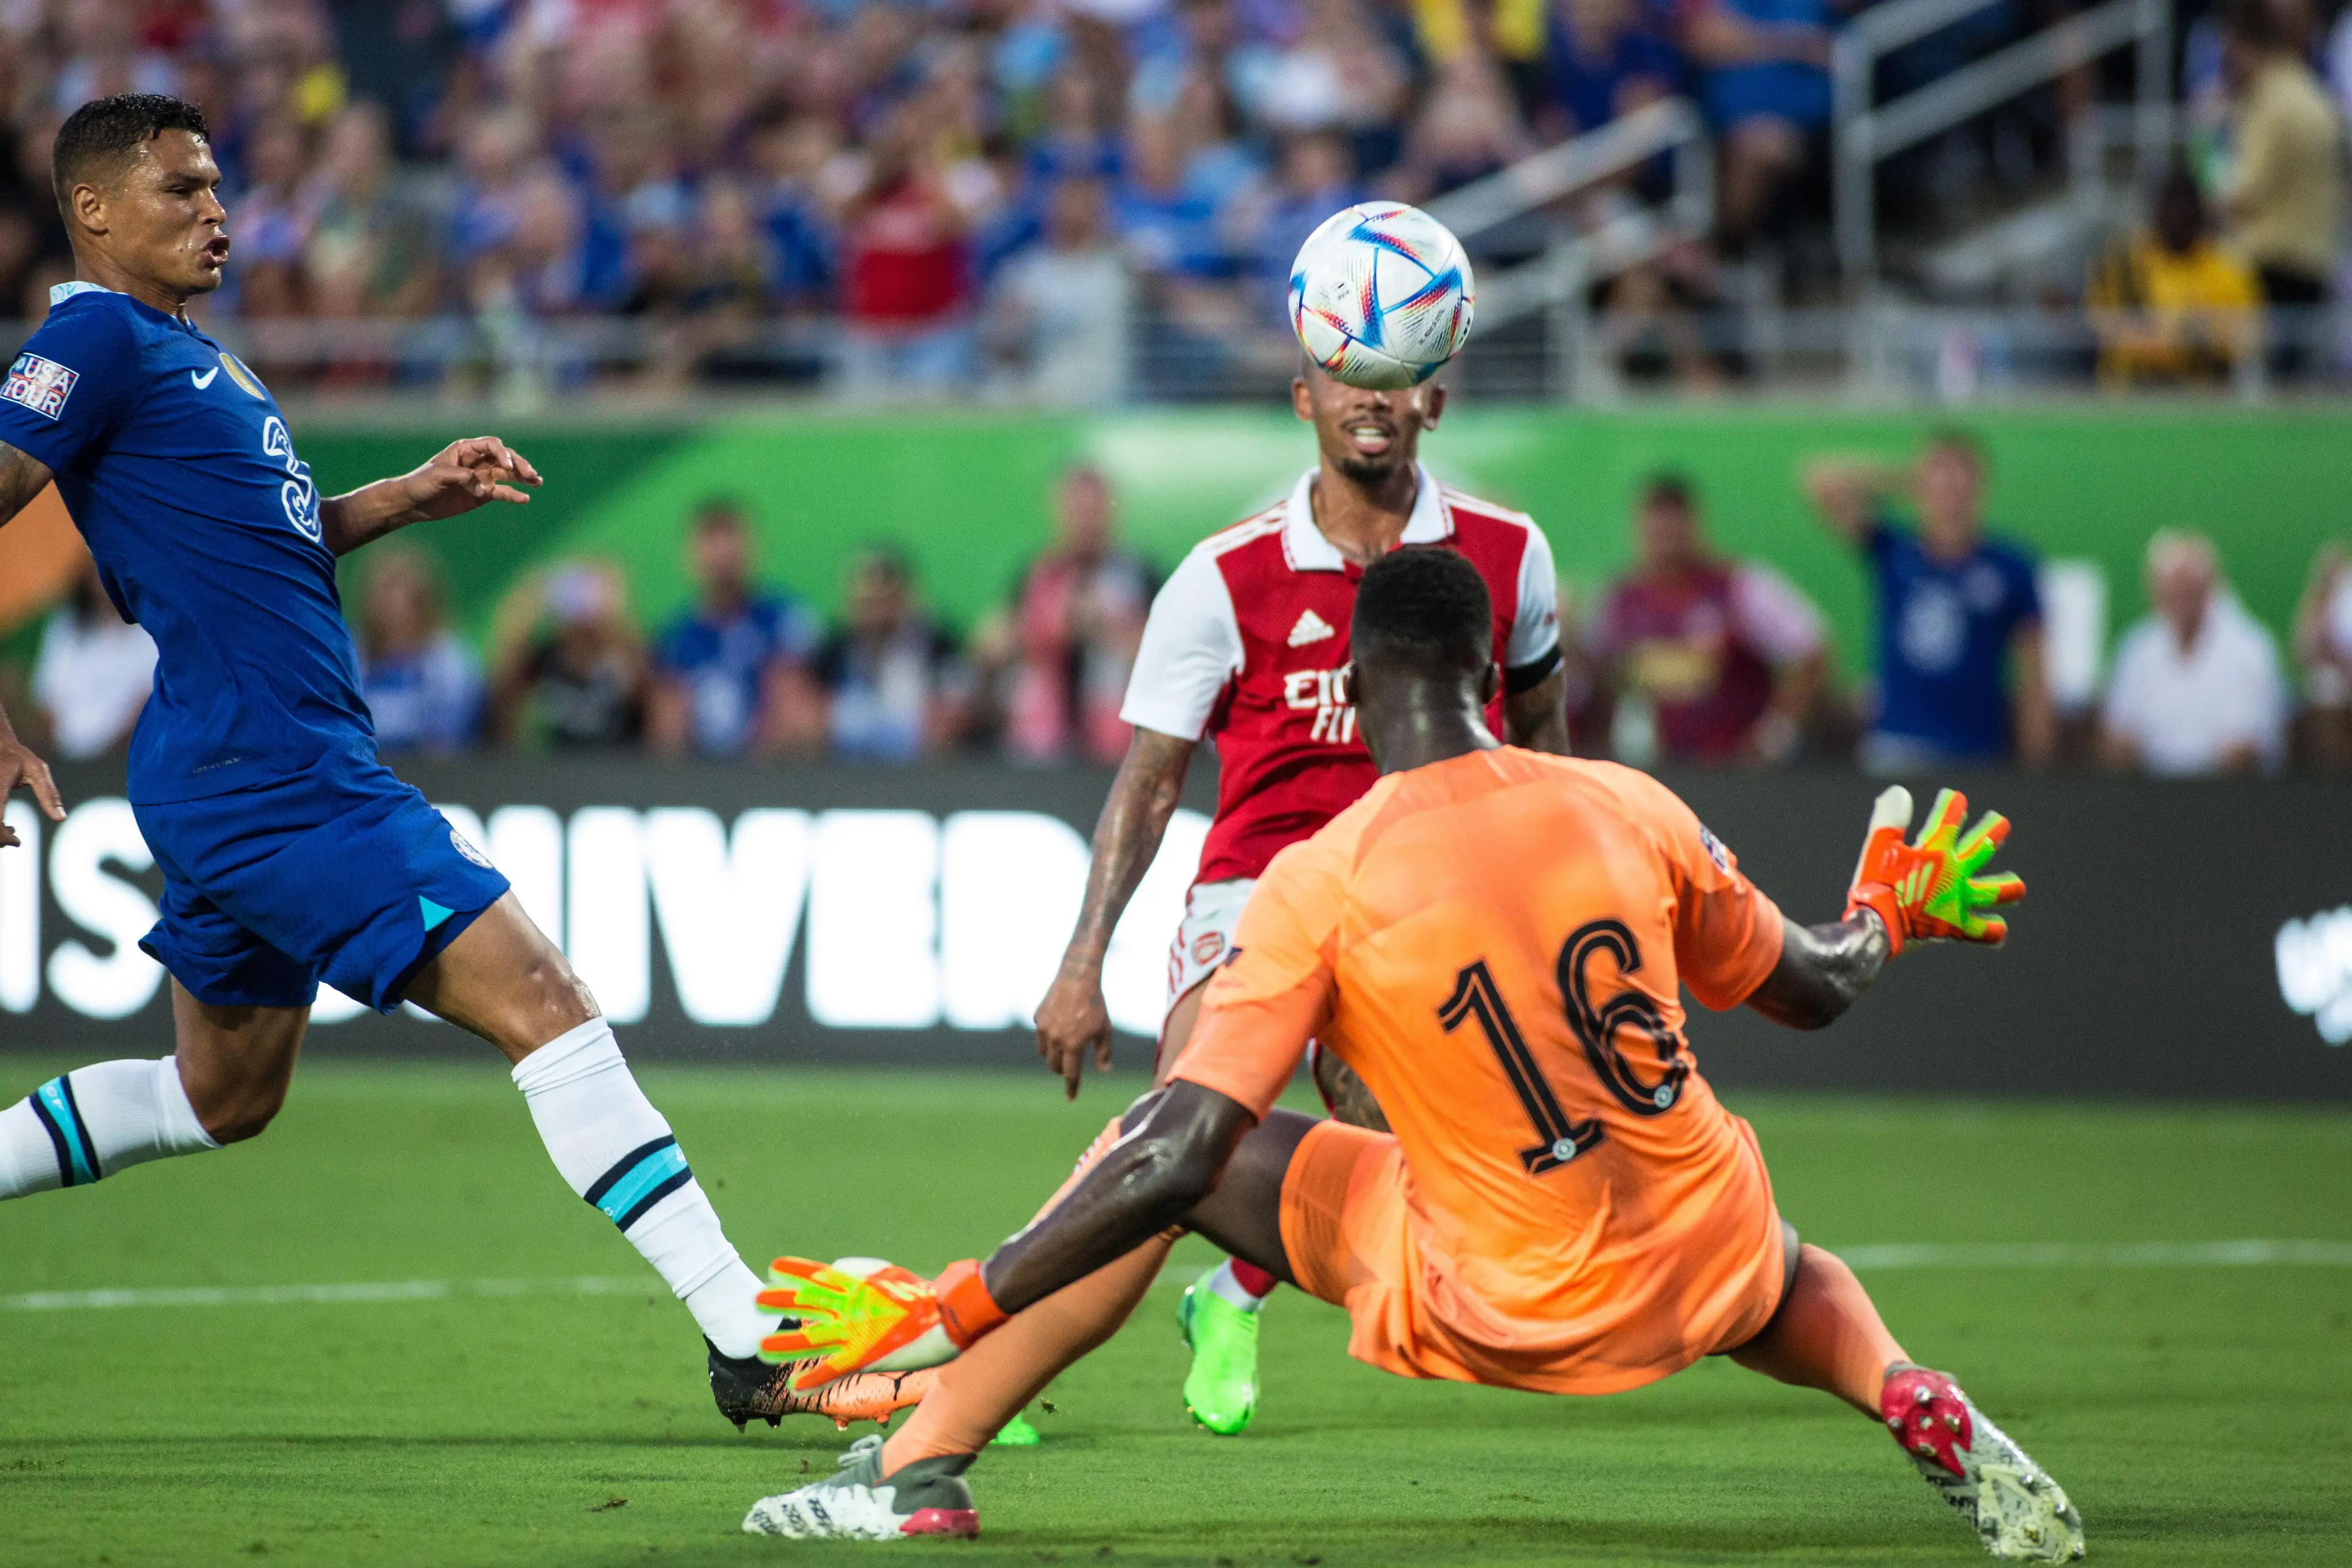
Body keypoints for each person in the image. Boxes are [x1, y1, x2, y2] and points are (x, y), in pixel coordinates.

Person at [742, 547, 2080, 1566]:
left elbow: (1185, 1145)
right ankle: (1906, 1384)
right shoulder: (1630, 802)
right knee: (1784, 1265)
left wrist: (961, 1297)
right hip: (1709, 1244)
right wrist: (1889, 913)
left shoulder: (1326, 874)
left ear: (1361, 683)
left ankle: (919, 1469)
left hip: (1500, 1291)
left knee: (1170, 1144)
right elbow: (1818, 987)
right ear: (1490, 670)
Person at [0, 95, 919, 1434]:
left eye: (217, 185)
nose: (217, 209)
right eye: (181, 188)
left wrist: (400, 497)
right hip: (276, 771)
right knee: (546, 997)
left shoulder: (195, 358)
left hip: (230, 765)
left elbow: (268, 552)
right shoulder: (92, 332)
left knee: (221, 1093)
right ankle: (752, 1338)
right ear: (92, 211)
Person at [1026, 359, 1569, 1439]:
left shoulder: (1510, 553)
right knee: (1184, 1126)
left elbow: (1547, 745)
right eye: (1346, 377)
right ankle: (999, 1347)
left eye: (1399, 376)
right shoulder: (1224, 575)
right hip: (1257, 896)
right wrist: (1082, 963)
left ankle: (1232, 1294)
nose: (1372, 396)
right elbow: (1149, 781)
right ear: (1302, 400)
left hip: (1421, 908)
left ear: (1436, 401)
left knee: (1403, 1153)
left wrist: (1549, 918)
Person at [1802, 432, 2054, 772]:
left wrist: (2037, 755)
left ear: (1981, 484)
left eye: (1961, 475)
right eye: (1940, 474)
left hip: (1977, 748)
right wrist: (1905, 478)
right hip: (1898, 743)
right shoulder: (1893, 550)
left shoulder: (2010, 567)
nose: (1951, 487)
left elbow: (2035, 668)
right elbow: (1821, 480)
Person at [1589, 473, 1829, 764]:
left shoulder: (1741, 587)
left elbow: (1811, 654)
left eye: (1672, 525)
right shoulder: (1619, 600)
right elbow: (1595, 672)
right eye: (1656, 527)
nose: (1664, 537)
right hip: (1653, 774)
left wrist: (1772, 739)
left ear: (1693, 525)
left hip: (1734, 772)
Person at [2218, 0, 2345, 380]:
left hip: (2269, 267)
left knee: (2268, 396)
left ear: (2244, 47)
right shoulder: (2314, 92)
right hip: (2315, 259)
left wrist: (2206, 151)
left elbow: (2243, 195)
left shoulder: (2270, 101)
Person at [998, 466, 1157, 766]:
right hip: (1047, 737)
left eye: (1093, 510)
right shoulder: (1039, 574)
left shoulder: (1139, 574)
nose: (1086, 522)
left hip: (1119, 738)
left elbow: (1165, 652)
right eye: (1077, 511)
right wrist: (1051, 627)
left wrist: (1105, 628)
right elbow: (995, 644)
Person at [2099, 530, 2286, 777]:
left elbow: (2246, 749)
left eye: (2189, 588)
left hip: (2231, 800)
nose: (2180, 599)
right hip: (2147, 800)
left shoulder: (2251, 650)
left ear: (2211, 588)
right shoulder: (2136, 650)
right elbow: (2118, 738)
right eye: (2172, 590)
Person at [647, 501, 822, 760]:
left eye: (730, 540)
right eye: (712, 542)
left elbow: (795, 717)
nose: (722, 554)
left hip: (766, 771)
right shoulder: (675, 635)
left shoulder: (782, 621)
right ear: (691, 555)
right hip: (699, 777)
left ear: (751, 549)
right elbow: (668, 735)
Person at [2083, 164, 2261, 388]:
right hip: (2128, 400)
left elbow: (2249, 336)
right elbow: (2098, 323)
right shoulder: (2121, 262)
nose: (2178, 215)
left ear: (2200, 211)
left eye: (2185, 206)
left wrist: (2200, 332)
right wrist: (2165, 339)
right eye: (2169, 205)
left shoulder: (2226, 267)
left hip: (2201, 401)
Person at [812, 547, 970, 763]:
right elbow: (807, 720)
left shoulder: (938, 647)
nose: (875, 613)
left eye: (884, 600)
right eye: (867, 602)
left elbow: (955, 717)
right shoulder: (834, 650)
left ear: (905, 597)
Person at [488, 560, 650, 752]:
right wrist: (519, 631)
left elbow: (647, 699)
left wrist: (616, 629)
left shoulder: (620, 654)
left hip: (622, 765)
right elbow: (504, 703)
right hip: (563, 769)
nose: (580, 633)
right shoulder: (548, 658)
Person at [356, 548, 483, 756]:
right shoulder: (351, 655)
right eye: (383, 596)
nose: (389, 607)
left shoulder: (450, 661)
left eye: (399, 597)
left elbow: (450, 738)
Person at [31, 551, 156, 760]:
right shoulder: (67, 625)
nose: (103, 582)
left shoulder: (149, 628)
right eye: (95, 574)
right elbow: (48, 699)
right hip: (67, 757)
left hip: (128, 755)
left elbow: (149, 699)